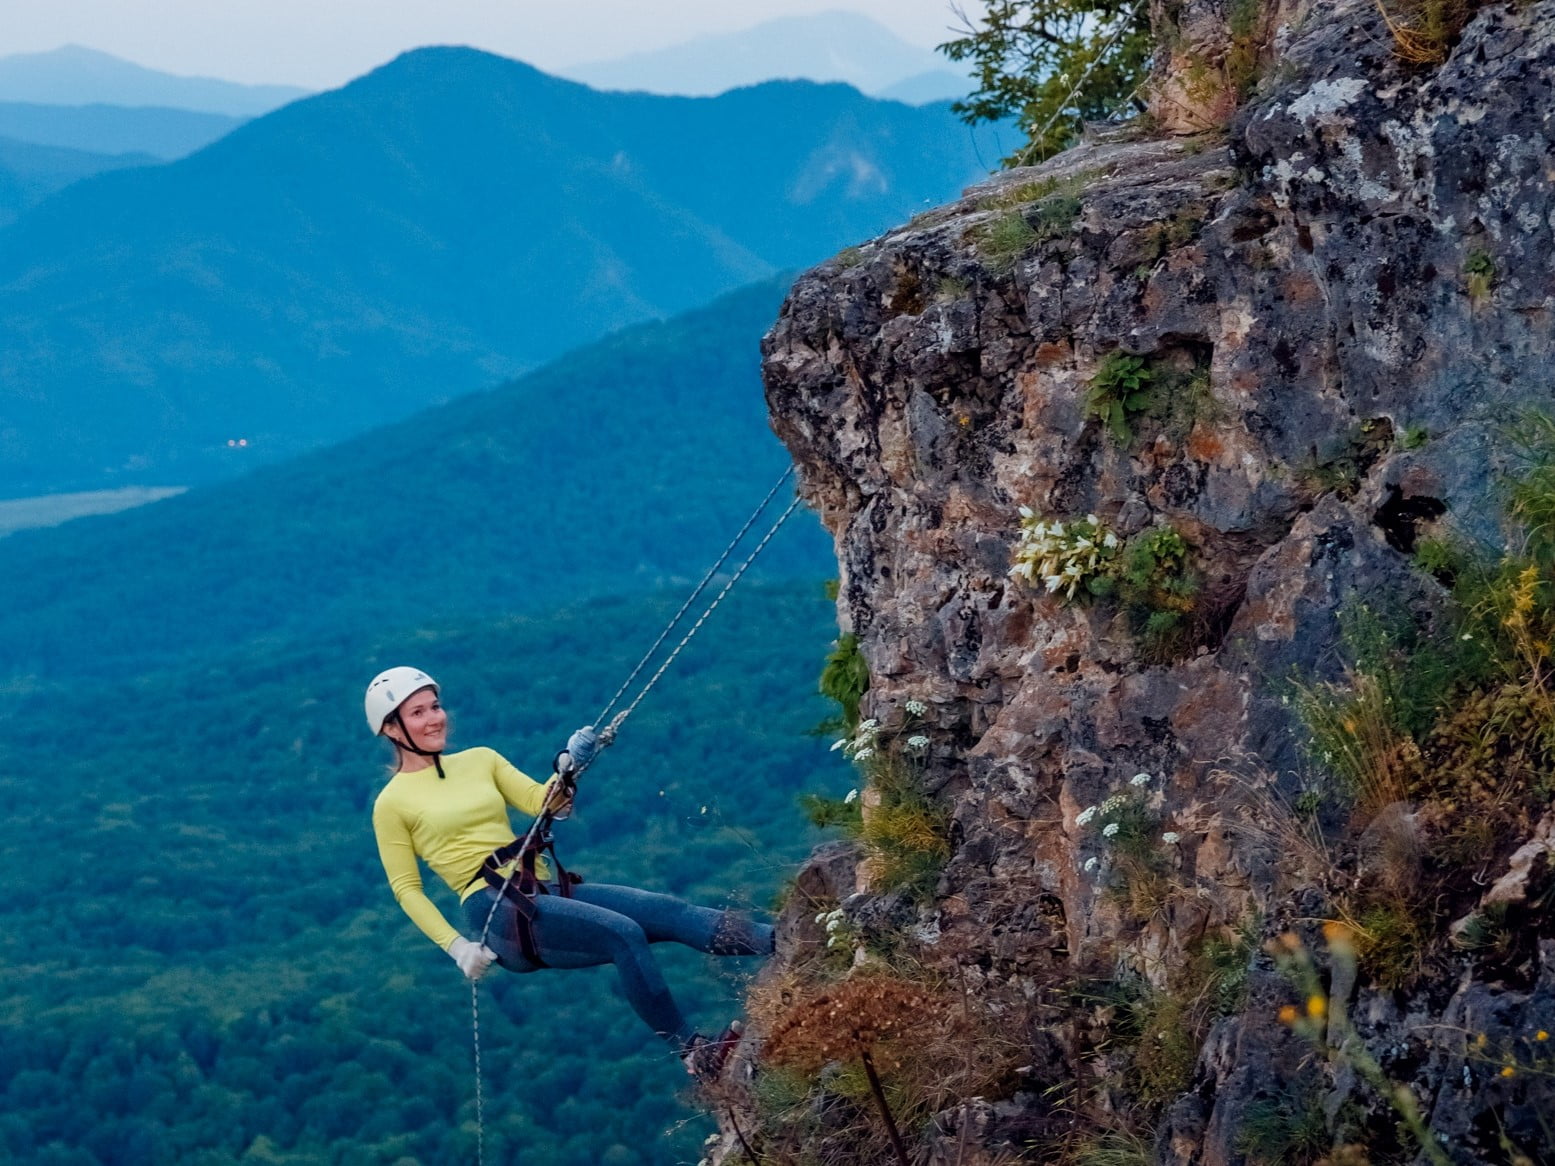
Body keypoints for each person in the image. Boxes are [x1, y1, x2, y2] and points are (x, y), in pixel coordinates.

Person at [365, 665, 771, 1077]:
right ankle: (694, 1054)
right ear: (392, 729)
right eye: (417, 713)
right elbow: (406, 889)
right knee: (623, 932)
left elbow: (547, 804)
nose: (434, 718)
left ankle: (781, 940)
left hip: (538, 889)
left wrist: (567, 770)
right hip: (494, 911)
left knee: (666, 910)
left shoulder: (480, 760)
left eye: (434, 706)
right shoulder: (392, 803)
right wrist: (456, 947)